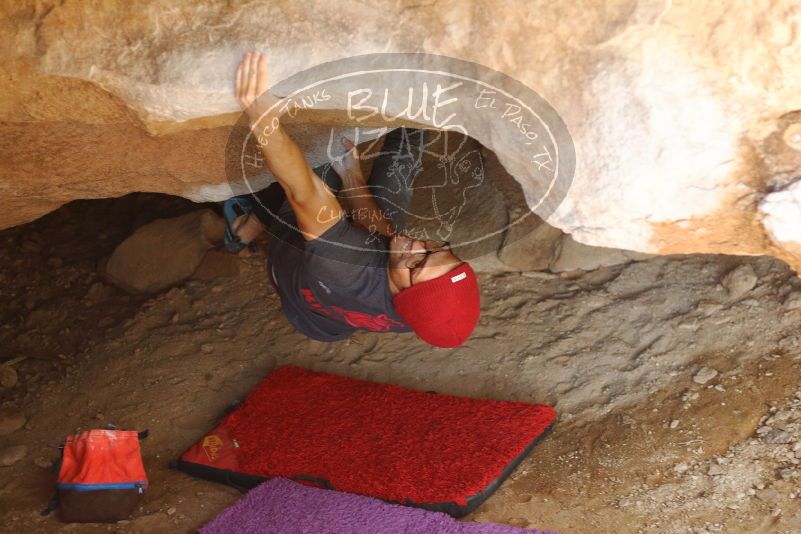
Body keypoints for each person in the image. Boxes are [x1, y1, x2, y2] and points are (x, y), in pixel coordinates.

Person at [228, 49, 480, 348]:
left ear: (402, 295)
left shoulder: (344, 266)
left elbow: (303, 192)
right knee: (402, 160)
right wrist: (353, 178)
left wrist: (259, 113)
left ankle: (254, 220)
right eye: (437, 249)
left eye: (417, 264)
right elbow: (386, 238)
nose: (418, 245)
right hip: (337, 315)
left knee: (321, 150)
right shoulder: (418, 315)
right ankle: (417, 93)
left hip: (297, 281)